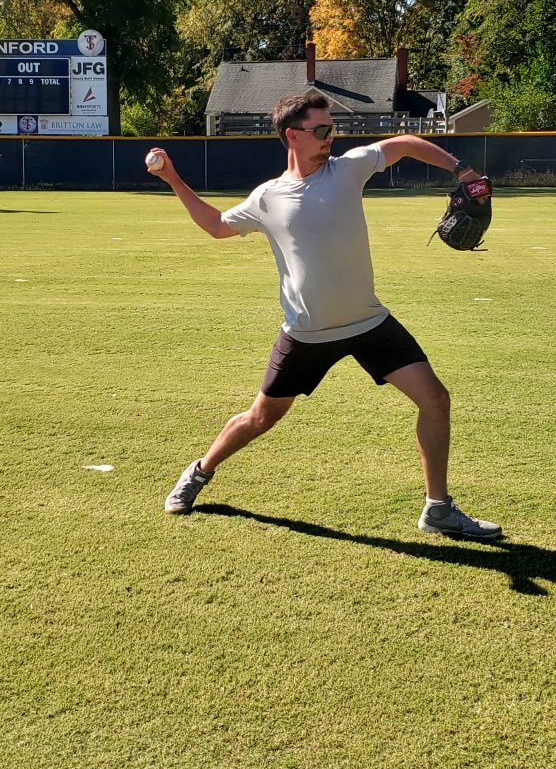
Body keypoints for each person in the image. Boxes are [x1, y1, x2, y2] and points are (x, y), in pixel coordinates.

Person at [148, 91, 502, 540]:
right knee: (261, 418)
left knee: (435, 399)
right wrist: (174, 177)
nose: (329, 137)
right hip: (306, 334)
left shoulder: (348, 169)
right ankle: (200, 471)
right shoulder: (267, 198)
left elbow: (407, 143)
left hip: (368, 323)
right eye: (320, 130)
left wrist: (462, 170)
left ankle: (438, 509)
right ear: (291, 135)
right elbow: (217, 226)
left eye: (332, 129)